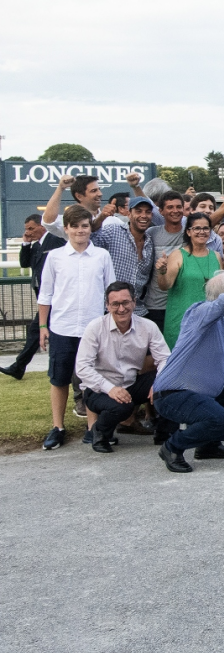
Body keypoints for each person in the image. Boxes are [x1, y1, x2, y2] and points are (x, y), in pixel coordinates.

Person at [151, 268, 224, 473]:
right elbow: (222, 302)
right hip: (173, 394)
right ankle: (172, 447)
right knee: (221, 420)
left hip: (204, 392)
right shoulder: (201, 312)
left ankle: (208, 445)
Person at [36, 205, 116, 450]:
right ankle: (58, 427)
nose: (81, 231)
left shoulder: (102, 255)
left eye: (85, 226)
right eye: (76, 226)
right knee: (59, 378)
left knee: (91, 379)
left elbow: (110, 291)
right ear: (66, 229)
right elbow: (46, 293)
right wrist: (42, 326)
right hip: (62, 327)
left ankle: (92, 428)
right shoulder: (55, 257)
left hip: (93, 329)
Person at [75, 282, 171, 453]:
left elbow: (164, 358)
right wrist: (110, 389)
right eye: (115, 304)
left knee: (169, 385)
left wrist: (159, 383)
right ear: (107, 306)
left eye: (125, 302)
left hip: (130, 383)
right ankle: (99, 433)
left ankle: (164, 434)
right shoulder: (95, 327)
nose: (121, 309)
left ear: (134, 302)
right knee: (122, 406)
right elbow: (82, 367)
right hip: (99, 389)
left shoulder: (148, 327)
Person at [0, 215, 65, 381]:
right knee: (36, 333)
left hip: (56, 297)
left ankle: (19, 366)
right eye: (26, 229)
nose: (28, 232)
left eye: (31, 228)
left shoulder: (56, 240)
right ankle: (19, 367)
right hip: (44, 297)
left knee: (35, 331)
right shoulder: (37, 245)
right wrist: (25, 243)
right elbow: (24, 263)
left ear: (42, 226)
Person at [155, 212, 222, 349]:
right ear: (188, 232)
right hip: (182, 321)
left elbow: (221, 290)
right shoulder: (178, 255)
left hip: (209, 322)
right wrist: (162, 272)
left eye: (205, 228)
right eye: (197, 228)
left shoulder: (216, 256)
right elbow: (165, 285)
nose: (201, 232)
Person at [90, 196, 156, 315]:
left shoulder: (150, 241)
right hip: (110, 309)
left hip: (137, 311)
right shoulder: (114, 231)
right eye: (138, 211)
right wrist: (101, 217)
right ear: (129, 214)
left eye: (148, 212)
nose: (144, 216)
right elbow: (89, 239)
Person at [142, 190, 187, 331]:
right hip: (156, 305)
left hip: (182, 304)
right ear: (160, 211)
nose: (175, 211)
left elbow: (222, 212)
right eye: (170, 207)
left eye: (178, 207)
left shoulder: (191, 233)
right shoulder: (152, 233)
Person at [40, 174, 121, 239]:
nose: (100, 194)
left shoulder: (113, 220)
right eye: (94, 191)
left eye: (99, 189)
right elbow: (48, 222)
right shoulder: (70, 221)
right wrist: (60, 188)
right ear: (79, 196)